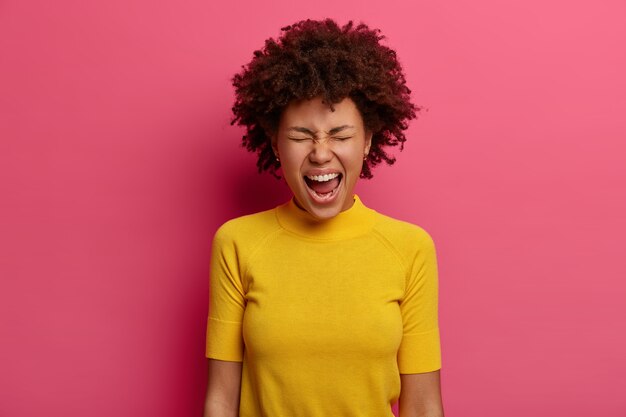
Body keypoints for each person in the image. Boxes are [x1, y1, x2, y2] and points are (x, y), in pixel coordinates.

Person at [204, 18, 444, 417]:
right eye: (300, 136)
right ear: (275, 143)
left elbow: (423, 406)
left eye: (340, 134)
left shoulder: (410, 248)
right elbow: (220, 400)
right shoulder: (237, 242)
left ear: (368, 140)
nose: (320, 153)